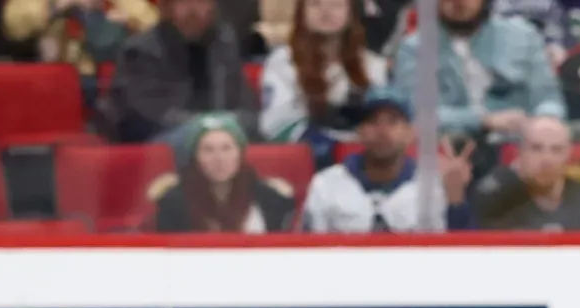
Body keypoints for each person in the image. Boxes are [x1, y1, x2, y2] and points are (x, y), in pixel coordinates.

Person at [302, 86, 477, 230]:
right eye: (372, 122)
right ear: (359, 132)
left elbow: (460, 258)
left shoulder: (435, 185)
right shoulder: (326, 184)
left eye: (393, 121)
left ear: (411, 133)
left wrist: (456, 200)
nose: (382, 131)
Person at [392, 0, 565, 144]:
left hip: (519, 142)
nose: (458, 2)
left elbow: (548, 98)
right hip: (448, 144)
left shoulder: (523, 35)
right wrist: (484, 121)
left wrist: (545, 122)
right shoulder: (414, 48)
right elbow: (417, 115)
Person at [108, 0, 257, 143]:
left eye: (201, 2)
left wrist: (227, 125)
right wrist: (204, 127)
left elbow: (245, 104)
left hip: (220, 137)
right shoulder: (141, 51)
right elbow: (145, 116)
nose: (193, 10)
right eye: (184, 1)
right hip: (159, 142)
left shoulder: (223, 46)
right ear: (168, 7)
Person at [259, 0, 387, 148]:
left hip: (364, 154)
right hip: (308, 153)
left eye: (336, 5)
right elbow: (274, 124)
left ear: (351, 13)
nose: (326, 11)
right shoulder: (283, 62)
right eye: (315, 4)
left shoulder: (374, 66)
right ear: (301, 13)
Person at [151, 111, 298, 230]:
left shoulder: (269, 198)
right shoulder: (173, 203)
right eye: (208, 150)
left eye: (226, 148)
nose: (219, 158)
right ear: (195, 157)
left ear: (239, 153)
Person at [471, 114, 580, 227]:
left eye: (556, 150)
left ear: (568, 155)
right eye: (536, 148)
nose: (546, 159)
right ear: (520, 153)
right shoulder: (497, 199)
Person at [0, 0, 158, 74]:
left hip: (108, 85)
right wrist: (56, 6)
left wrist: (128, 20)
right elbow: (13, 25)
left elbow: (157, 25)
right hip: (57, 81)